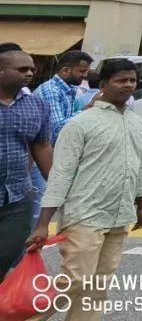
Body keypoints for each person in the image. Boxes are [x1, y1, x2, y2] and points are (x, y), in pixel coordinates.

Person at [19, 58, 142, 321]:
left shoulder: (137, 122)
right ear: (102, 84)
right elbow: (61, 175)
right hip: (84, 215)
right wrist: (43, 223)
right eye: (121, 80)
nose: (128, 85)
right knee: (75, 280)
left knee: (98, 286)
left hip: (119, 216)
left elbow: (139, 167)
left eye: (132, 80)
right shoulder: (80, 124)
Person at [0, 44, 52, 278]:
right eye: (22, 69)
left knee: (8, 255)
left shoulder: (37, 105)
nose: (30, 73)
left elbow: (42, 146)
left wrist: (59, 186)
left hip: (17, 199)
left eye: (31, 69)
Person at [29, 50, 91, 225]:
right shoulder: (52, 90)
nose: (85, 76)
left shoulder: (68, 90)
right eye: (81, 71)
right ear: (65, 70)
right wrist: (88, 110)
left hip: (53, 155)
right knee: (38, 208)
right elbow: (57, 129)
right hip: (39, 157)